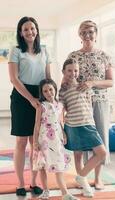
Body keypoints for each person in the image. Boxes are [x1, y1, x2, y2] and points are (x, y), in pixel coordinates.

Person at [67, 20, 113, 190]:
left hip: (100, 102)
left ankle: (98, 178)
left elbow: (110, 82)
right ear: (79, 35)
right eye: (83, 32)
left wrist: (92, 82)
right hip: (79, 104)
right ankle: (83, 177)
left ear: (96, 33)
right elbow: (67, 79)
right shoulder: (73, 56)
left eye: (90, 32)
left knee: (99, 138)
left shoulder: (104, 56)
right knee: (81, 139)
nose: (87, 35)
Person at [8, 16, 51, 196]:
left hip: (40, 95)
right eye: (25, 29)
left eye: (32, 28)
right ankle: (20, 183)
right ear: (20, 33)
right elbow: (14, 79)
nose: (29, 32)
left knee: (36, 143)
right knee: (21, 141)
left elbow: (48, 77)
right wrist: (30, 99)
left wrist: (49, 99)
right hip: (21, 96)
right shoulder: (16, 50)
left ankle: (34, 182)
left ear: (37, 30)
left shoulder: (45, 50)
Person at [59, 59, 106, 198]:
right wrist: (62, 130)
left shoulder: (85, 86)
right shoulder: (62, 91)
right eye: (69, 70)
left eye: (75, 70)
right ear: (63, 72)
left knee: (101, 153)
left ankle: (81, 176)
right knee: (78, 156)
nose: (73, 73)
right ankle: (85, 187)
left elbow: (89, 105)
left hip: (88, 124)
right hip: (72, 125)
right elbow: (61, 111)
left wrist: (91, 122)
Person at [33, 79, 79, 200]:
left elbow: (59, 121)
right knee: (42, 165)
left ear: (55, 89)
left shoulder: (60, 105)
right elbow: (37, 124)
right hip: (44, 140)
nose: (49, 93)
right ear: (42, 93)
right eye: (45, 91)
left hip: (56, 139)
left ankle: (65, 193)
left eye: (50, 89)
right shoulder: (41, 106)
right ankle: (45, 190)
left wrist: (63, 133)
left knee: (59, 164)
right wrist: (35, 141)